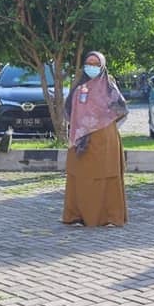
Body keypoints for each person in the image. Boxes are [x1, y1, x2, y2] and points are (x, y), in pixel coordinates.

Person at [62, 51, 129, 227]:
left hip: (104, 137)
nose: (91, 67)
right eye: (88, 63)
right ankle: (77, 215)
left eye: (95, 64)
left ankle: (109, 216)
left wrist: (100, 121)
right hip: (80, 139)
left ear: (102, 66)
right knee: (80, 175)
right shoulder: (78, 85)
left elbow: (121, 109)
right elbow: (68, 110)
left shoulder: (109, 86)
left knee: (105, 175)